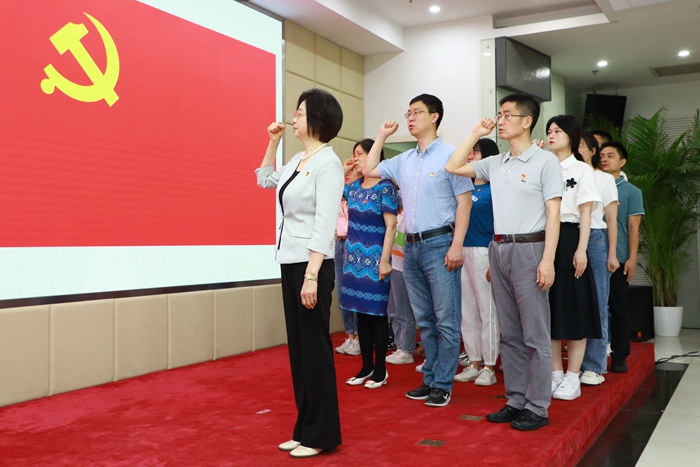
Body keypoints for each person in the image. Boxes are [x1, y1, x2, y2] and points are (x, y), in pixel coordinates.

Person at [445, 94, 562, 431]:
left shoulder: (545, 162)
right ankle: (516, 399)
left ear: (527, 121)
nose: (501, 120)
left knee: (535, 333)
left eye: (508, 114)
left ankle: (538, 406)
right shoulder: (496, 163)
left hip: (530, 248)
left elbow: (554, 214)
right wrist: (475, 133)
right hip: (498, 248)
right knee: (509, 332)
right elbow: (453, 166)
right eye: (499, 114)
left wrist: (548, 260)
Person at [363, 94, 473, 407]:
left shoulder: (451, 156)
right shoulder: (404, 159)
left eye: (417, 112)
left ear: (435, 116)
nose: (410, 118)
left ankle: (443, 383)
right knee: (424, 320)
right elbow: (369, 168)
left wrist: (457, 245)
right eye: (408, 113)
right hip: (410, 247)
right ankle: (430, 379)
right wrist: (382, 135)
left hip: (440, 243)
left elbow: (464, 203)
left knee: (446, 319)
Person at [255, 88, 343, 459]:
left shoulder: (328, 163)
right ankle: (305, 428)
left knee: (315, 350)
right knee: (300, 352)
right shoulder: (297, 159)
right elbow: (264, 179)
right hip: (290, 261)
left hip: (312, 266)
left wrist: (312, 275)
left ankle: (322, 433)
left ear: (319, 120)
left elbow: (325, 223)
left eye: (301, 112)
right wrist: (273, 142)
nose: (294, 117)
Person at [545, 116, 601, 401]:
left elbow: (586, 212)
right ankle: (555, 372)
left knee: (576, 306)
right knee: (549, 307)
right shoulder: (543, 165)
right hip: (544, 239)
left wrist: (581, 249)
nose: (551, 135)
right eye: (549, 131)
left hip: (569, 237)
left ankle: (572, 375)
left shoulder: (581, 169)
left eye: (558, 131)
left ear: (572, 136)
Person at [342, 139, 398, 389]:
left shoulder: (385, 188)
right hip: (353, 261)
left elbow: (391, 226)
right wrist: (346, 170)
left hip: (376, 259)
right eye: (353, 154)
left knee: (377, 315)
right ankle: (365, 367)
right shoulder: (353, 187)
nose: (355, 158)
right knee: (361, 315)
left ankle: (380, 371)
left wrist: (385, 260)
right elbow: (331, 189)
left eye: (360, 154)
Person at [453, 138, 501, 387]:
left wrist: (495, 260)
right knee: (468, 311)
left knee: (487, 310)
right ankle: (474, 362)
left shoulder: (496, 189)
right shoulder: (465, 186)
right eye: (470, 152)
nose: (470, 155)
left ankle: (490, 366)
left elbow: (500, 226)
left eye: (476, 152)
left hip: (485, 251)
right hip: (462, 251)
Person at [599, 141, 644, 373]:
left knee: (618, 307)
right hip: (592, 255)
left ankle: (619, 355)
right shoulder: (593, 185)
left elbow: (633, 228)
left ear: (622, 162)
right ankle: (594, 355)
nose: (604, 159)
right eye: (602, 155)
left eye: (611, 155)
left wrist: (632, 258)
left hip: (619, 257)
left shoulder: (631, 191)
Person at [579, 132, 619, 385]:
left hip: (595, 238)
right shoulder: (565, 173)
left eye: (581, 146)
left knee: (598, 302)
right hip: (568, 235)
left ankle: (594, 365)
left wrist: (612, 253)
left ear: (593, 151)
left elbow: (611, 219)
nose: (576, 149)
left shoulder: (603, 179)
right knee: (574, 302)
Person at [334, 157, 362, 357]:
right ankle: (349, 335)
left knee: (356, 292)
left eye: (352, 171)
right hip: (339, 242)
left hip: (355, 243)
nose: (347, 175)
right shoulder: (338, 192)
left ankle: (360, 338)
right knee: (342, 293)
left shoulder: (359, 193)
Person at [386, 206, 418, 365]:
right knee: (394, 310)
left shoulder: (409, 213)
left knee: (405, 311)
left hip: (406, 267)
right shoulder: (392, 214)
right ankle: (400, 345)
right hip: (394, 265)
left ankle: (407, 349)